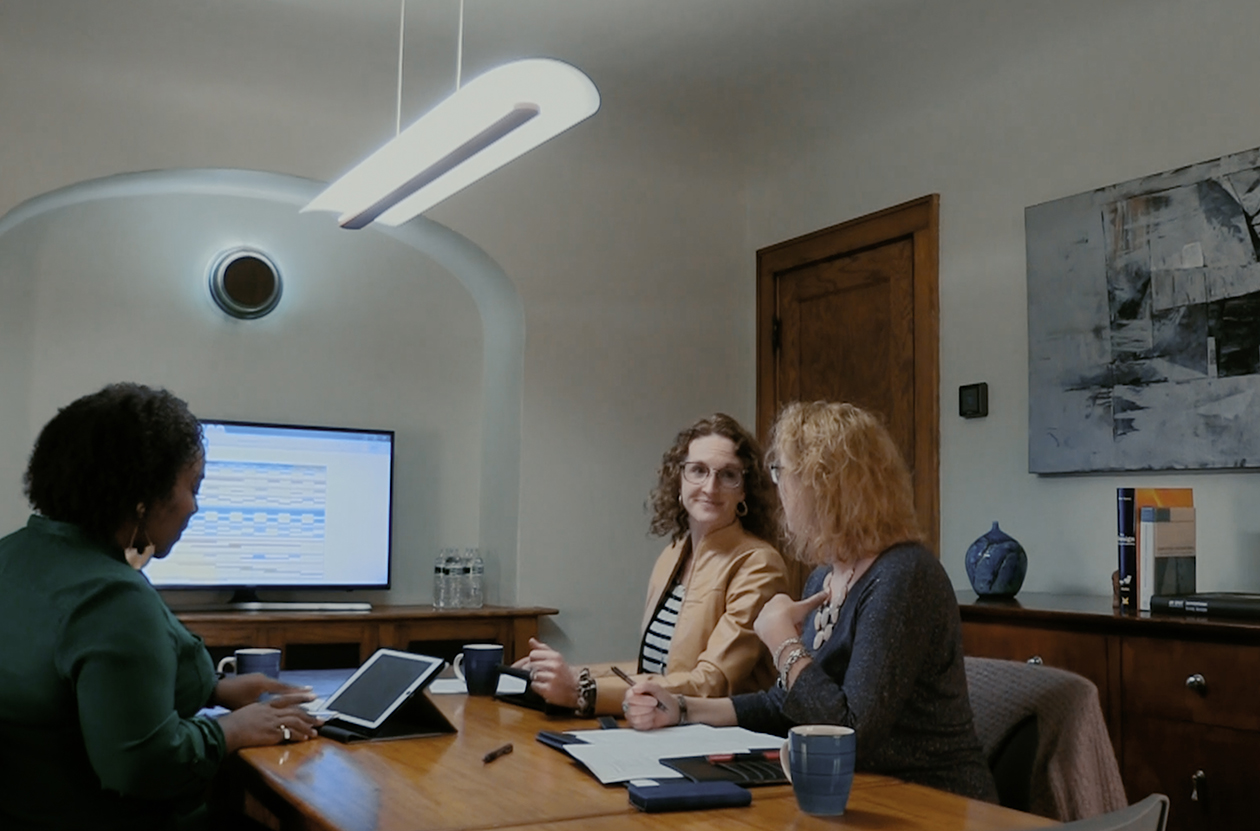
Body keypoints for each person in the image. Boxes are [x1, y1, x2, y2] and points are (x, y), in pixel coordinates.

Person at [624, 402, 998, 802]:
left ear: (825, 484)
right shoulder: (826, 574)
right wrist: (681, 709)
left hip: (931, 801)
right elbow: (788, 704)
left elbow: (852, 732)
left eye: (782, 472)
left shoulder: (903, 576)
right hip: (855, 793)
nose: (778, 487)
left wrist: (783, 642)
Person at [0, 383, 324, 830]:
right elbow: (140, 765)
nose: (195, 506)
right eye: (193, 486)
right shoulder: (112, 597)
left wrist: (213, 689)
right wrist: (231, 729)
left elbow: (89, 689)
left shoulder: (12, 558)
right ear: (143, 495)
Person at [517, 413, 790, 717]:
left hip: (722, 738)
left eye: (727, 475)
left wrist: (582, 691)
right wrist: (562, 673)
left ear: (744, 490)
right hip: (660, 725)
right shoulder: (673, 554)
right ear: (679, 479)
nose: (710, 487)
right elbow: (656, 670)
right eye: (698, 470)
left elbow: (710, 683)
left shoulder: (759, 564)